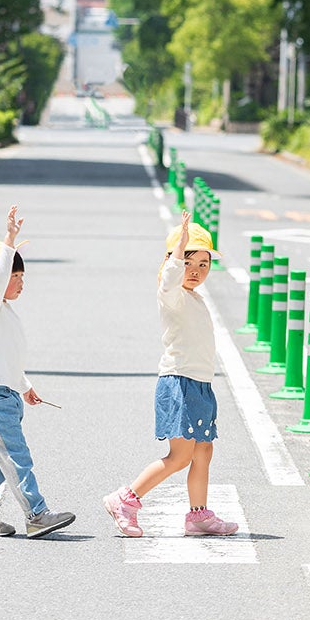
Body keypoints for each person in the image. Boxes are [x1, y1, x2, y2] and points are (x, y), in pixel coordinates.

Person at [103, 209, 239, 538]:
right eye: (187, 263)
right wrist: (178, 248)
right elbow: (169, 278)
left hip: (199, 385)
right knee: (180, 456)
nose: (195, 271)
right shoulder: (172, 294)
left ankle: (198, 516)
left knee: (204, 449)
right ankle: (125, 499)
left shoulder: (193, 297)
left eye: (203, 264)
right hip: (179, 383)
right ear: (172, 263)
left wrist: (181, 253)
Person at [0, 205, 75, 539]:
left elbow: (8, 357)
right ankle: (37, 513)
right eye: (15, 276)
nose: (20, 283)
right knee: (15, 455)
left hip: (7, 393)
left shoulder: (6, 313)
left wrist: (24, 386)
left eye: (21, 276)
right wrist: (8, 239)